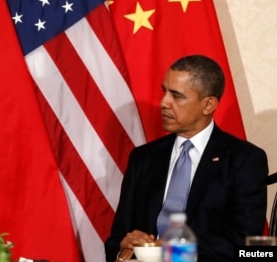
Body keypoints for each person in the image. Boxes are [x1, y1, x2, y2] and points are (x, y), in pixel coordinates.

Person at [105, 55, 268, 262]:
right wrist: (123, 249)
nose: (163, 103)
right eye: (164, 91)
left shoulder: (244, 160)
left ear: (208, 105)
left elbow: (245, 247)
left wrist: (170, 251)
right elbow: (116, 238)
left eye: (177, 95)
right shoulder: (143, 158)